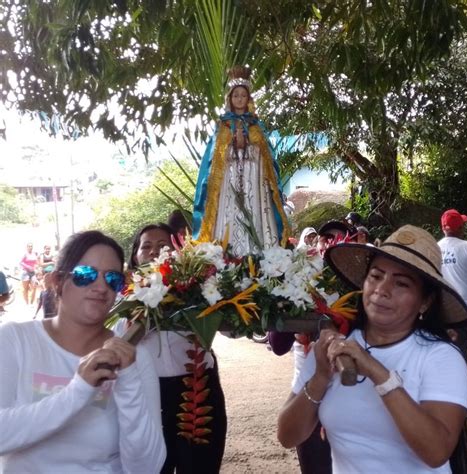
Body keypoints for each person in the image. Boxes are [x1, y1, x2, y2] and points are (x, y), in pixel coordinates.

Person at [278, 225, 467, 473]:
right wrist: (320, 377)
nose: (382, 290)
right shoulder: (333, 348)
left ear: (425, 301)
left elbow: (436, 452)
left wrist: (378, 372)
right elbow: (287, 436)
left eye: (401, 283)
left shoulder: (441, 358)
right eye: (376, 276)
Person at [0, 230, 166, 473]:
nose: (100, 287)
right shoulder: (15, 340)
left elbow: (147, 467)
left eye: (112, 279)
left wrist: (128, 381)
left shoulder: (134, 358)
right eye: (85, 275)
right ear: (57, 281)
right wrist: (79, 391)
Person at [127, 223, 227, 474]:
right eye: (146, 246)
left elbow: (230, 328)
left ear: (179, 251)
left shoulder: (201, 291)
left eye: (163, 245)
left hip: (198, 389)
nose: (153, 251)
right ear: (135, 256)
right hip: (148, 394)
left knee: (200, 465)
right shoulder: (123, 301)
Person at [192, 66, 290, 256]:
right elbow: (214, 162)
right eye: (235, 95)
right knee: (228, 216)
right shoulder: (222, 126)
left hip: (254, 182)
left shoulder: (256, 126)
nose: (239, 99)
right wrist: (232, 147)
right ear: (230, 98)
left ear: (248, 99)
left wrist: (249, 146)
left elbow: (266, 159)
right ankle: (225, 253)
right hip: (228, 185)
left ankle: (262, 249)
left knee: (256, 214)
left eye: (242, 96)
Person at [437, 209, 467, 352]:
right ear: (460, 227)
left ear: (442, 228)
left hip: (448, 310)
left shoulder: (433, 249)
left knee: (458, 351)